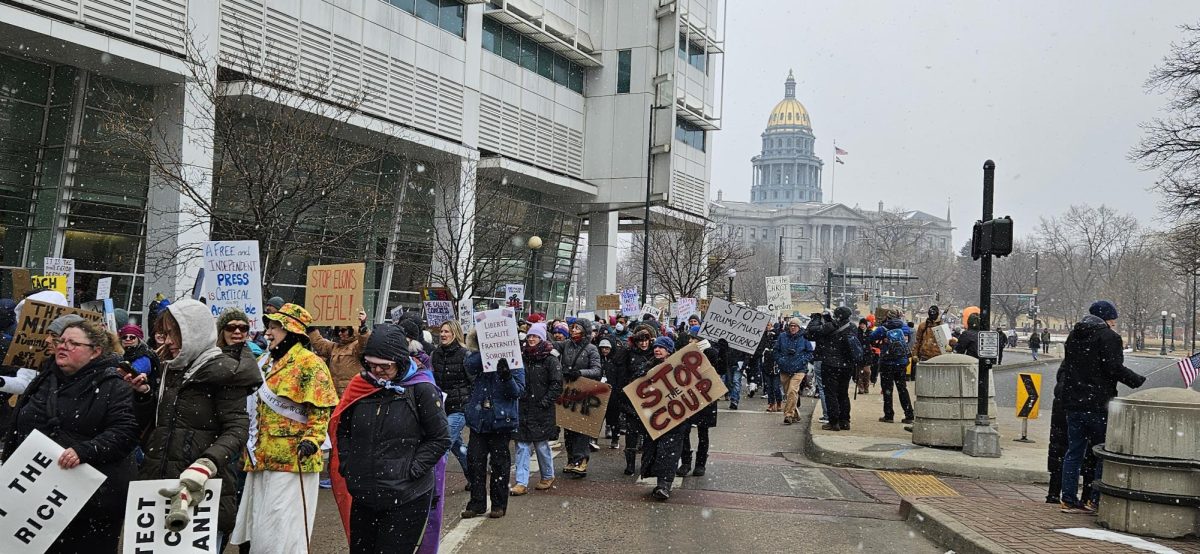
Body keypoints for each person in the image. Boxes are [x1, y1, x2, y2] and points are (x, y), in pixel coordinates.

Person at [134, 299, 262, 547]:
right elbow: (158, 426)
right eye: (164, 334)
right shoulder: (171, 368)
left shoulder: (224, 371)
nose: (167, 341)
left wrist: (206, 464)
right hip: (159, 486)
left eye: (173, 334)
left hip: (202, 489)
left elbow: (237, 429)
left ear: (193, 332)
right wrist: (143, 395)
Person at [3, 318, 139, 553]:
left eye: (72, 343)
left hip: (88, 502)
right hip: (38, 496)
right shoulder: (46, 377)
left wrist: (83, 451)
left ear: (95, 352)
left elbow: (124, 433)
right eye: (61, 341)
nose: (63, 346)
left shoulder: (113, 385)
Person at [330, 323, 450, 554]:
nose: (376, 371)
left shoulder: (421, 389)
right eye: (371, 365)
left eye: (384, 366)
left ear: (400, 361)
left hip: (406, 498)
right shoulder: (361, 386)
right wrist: (348, 464)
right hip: (364, 495)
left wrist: (411, 470)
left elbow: (440, 438)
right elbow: (343, 430)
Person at [231, 303, 339, 553]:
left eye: (274, 328)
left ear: (291, 331)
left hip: (293, 459)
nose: (268, 333)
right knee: (259, 523)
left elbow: (321, 410)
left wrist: (312, 439)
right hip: (261, 457)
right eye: (268, 327)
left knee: (281, 526)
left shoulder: (310, 364)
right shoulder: (264, 361)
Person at [1057, 301, 1145, 514]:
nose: (1114, 323)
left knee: (1074, 452)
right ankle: (1094, 499)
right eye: (1112, 319)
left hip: (1074, 403)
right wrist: (1136, 380)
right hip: (1098, 403)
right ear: (1105, 318)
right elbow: (1113, 367)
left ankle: (1068, 498)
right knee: (1100, 453)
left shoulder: (1074, 336)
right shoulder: (1109, 338)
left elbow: (1070, 367)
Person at [462, 331, 525, 519]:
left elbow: (517, 392)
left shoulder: (514, 359)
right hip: (479, 419)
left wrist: (506, 377)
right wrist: (488, 350)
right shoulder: (477, 357)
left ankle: (498, 504)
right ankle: (477, 503)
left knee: (499, 464)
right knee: (475, 462)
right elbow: (469, 366)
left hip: (500, 421)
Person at [511, 323, 562, 496]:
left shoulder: (550, 359)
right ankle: (521, 482)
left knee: (541, 445)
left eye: (536, 336)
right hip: (523, 408)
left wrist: (545, 402)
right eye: (530, 336)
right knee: (522, 446)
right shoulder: (520, 357)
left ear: (542, 338)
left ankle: (548, 475)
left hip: (541, 410)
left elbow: (556, 384)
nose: (531, 339)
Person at [636, 336, 689, 500]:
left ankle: (664, 485)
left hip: (675, 417)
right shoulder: (648, 366)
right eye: (656, 347)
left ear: (669, 350)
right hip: (654, 418)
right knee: (654, 450)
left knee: (669, 451)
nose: (657, 350)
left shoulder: (679, 367)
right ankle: (659, 480)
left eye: (662, 348)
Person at [555, 318, 601, 477]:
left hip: (583, 392)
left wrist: (580, 373)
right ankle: (571, 459)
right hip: (568, 392)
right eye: (572, 327)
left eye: (577, 328)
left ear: (585, 331)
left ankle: (581, 460)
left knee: (581, 428)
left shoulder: (591, 349)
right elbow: (550, 346)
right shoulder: (566, 344)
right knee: (568, 427)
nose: (573, 330)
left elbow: (597, 370)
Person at [431, 319, 473, 489]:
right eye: (441, 331)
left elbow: (473, 381)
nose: (443, 334)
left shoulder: (465, 354)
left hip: (460, 408)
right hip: (441, 407)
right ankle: (474, 477)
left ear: (455, 333)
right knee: (457, 446)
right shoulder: (436, 354)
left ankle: (433, 488)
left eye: (446, 331)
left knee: (442, 446)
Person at [811, 307, 863, 431]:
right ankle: (845, 421)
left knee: (831, 393)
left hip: (830, 364)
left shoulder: (831, 326)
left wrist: (818, 320)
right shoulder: (853, 327)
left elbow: (811, 332)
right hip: (847, 366)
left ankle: (833, 422)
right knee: (843, 393)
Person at [677, 332, 718, 477]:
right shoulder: (685, 353)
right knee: (684, 431)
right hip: (689, 397)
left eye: (693, 338)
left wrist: (721, 353)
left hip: (706, 397)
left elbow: (720, 371)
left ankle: (701, 464)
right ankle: (686, 462)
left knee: (703, 432)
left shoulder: (712, 353)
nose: (690, 340)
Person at [307, 309, 370, 396]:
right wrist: (311, 328)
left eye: (343, 330)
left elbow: (365, 343)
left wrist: (362, 326)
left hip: (351, 394)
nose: (340, 333)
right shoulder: (335, 347)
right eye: (338, 331)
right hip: (333, 393)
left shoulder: (357, 346)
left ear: (353, 330)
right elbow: (319, 344)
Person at [620, 326, 656, 475]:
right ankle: (630, 464)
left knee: (648, 433)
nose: (643, 343)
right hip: (632, 398)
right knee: (631, 433)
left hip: (651, 398)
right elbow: (622, 373)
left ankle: (646, 464)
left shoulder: (655, 354)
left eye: (646, 340)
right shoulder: (629, 354)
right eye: (640, 341)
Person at [869, 312, 914, 424]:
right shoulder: (904, 327)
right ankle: (909, 414)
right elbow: (909, 338)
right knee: (902, 388)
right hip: (901, 361)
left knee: (887, 389)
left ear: (887, 317)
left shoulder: (882, 328)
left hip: (887, 362)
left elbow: (871, 338)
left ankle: (889, 415)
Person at [773, 317, 814, 425]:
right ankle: (795, 414)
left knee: (792, 390)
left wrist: (802, 360)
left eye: (795, 326)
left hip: (799, 369)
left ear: (799, 327)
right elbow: (775, 350)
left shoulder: (804, 338)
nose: (792, 327)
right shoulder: (782, 337)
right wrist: (780, 360)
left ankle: (788, 414)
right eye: (791, 325)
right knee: (789, 393)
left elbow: (810, 352)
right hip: (785, 368)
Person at [598, 338, 627, 448]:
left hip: (613, 392)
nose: (604, 350)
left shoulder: (616, 361)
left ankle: (615, 439)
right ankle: (594, 439)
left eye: (607, 348)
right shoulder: (599, 359)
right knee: (598, 417)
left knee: (614, 417)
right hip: (600, 392)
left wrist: (617, 390)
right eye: (602, 348)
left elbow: (620, 376)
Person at [756, 322, 782, 412]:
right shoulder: (763, 340)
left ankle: (778, 401)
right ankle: (771, 403)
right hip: (766, 365)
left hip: (776, 367)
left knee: (776, 387)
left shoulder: (778, 341)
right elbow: (759, 350)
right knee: (769, 387)